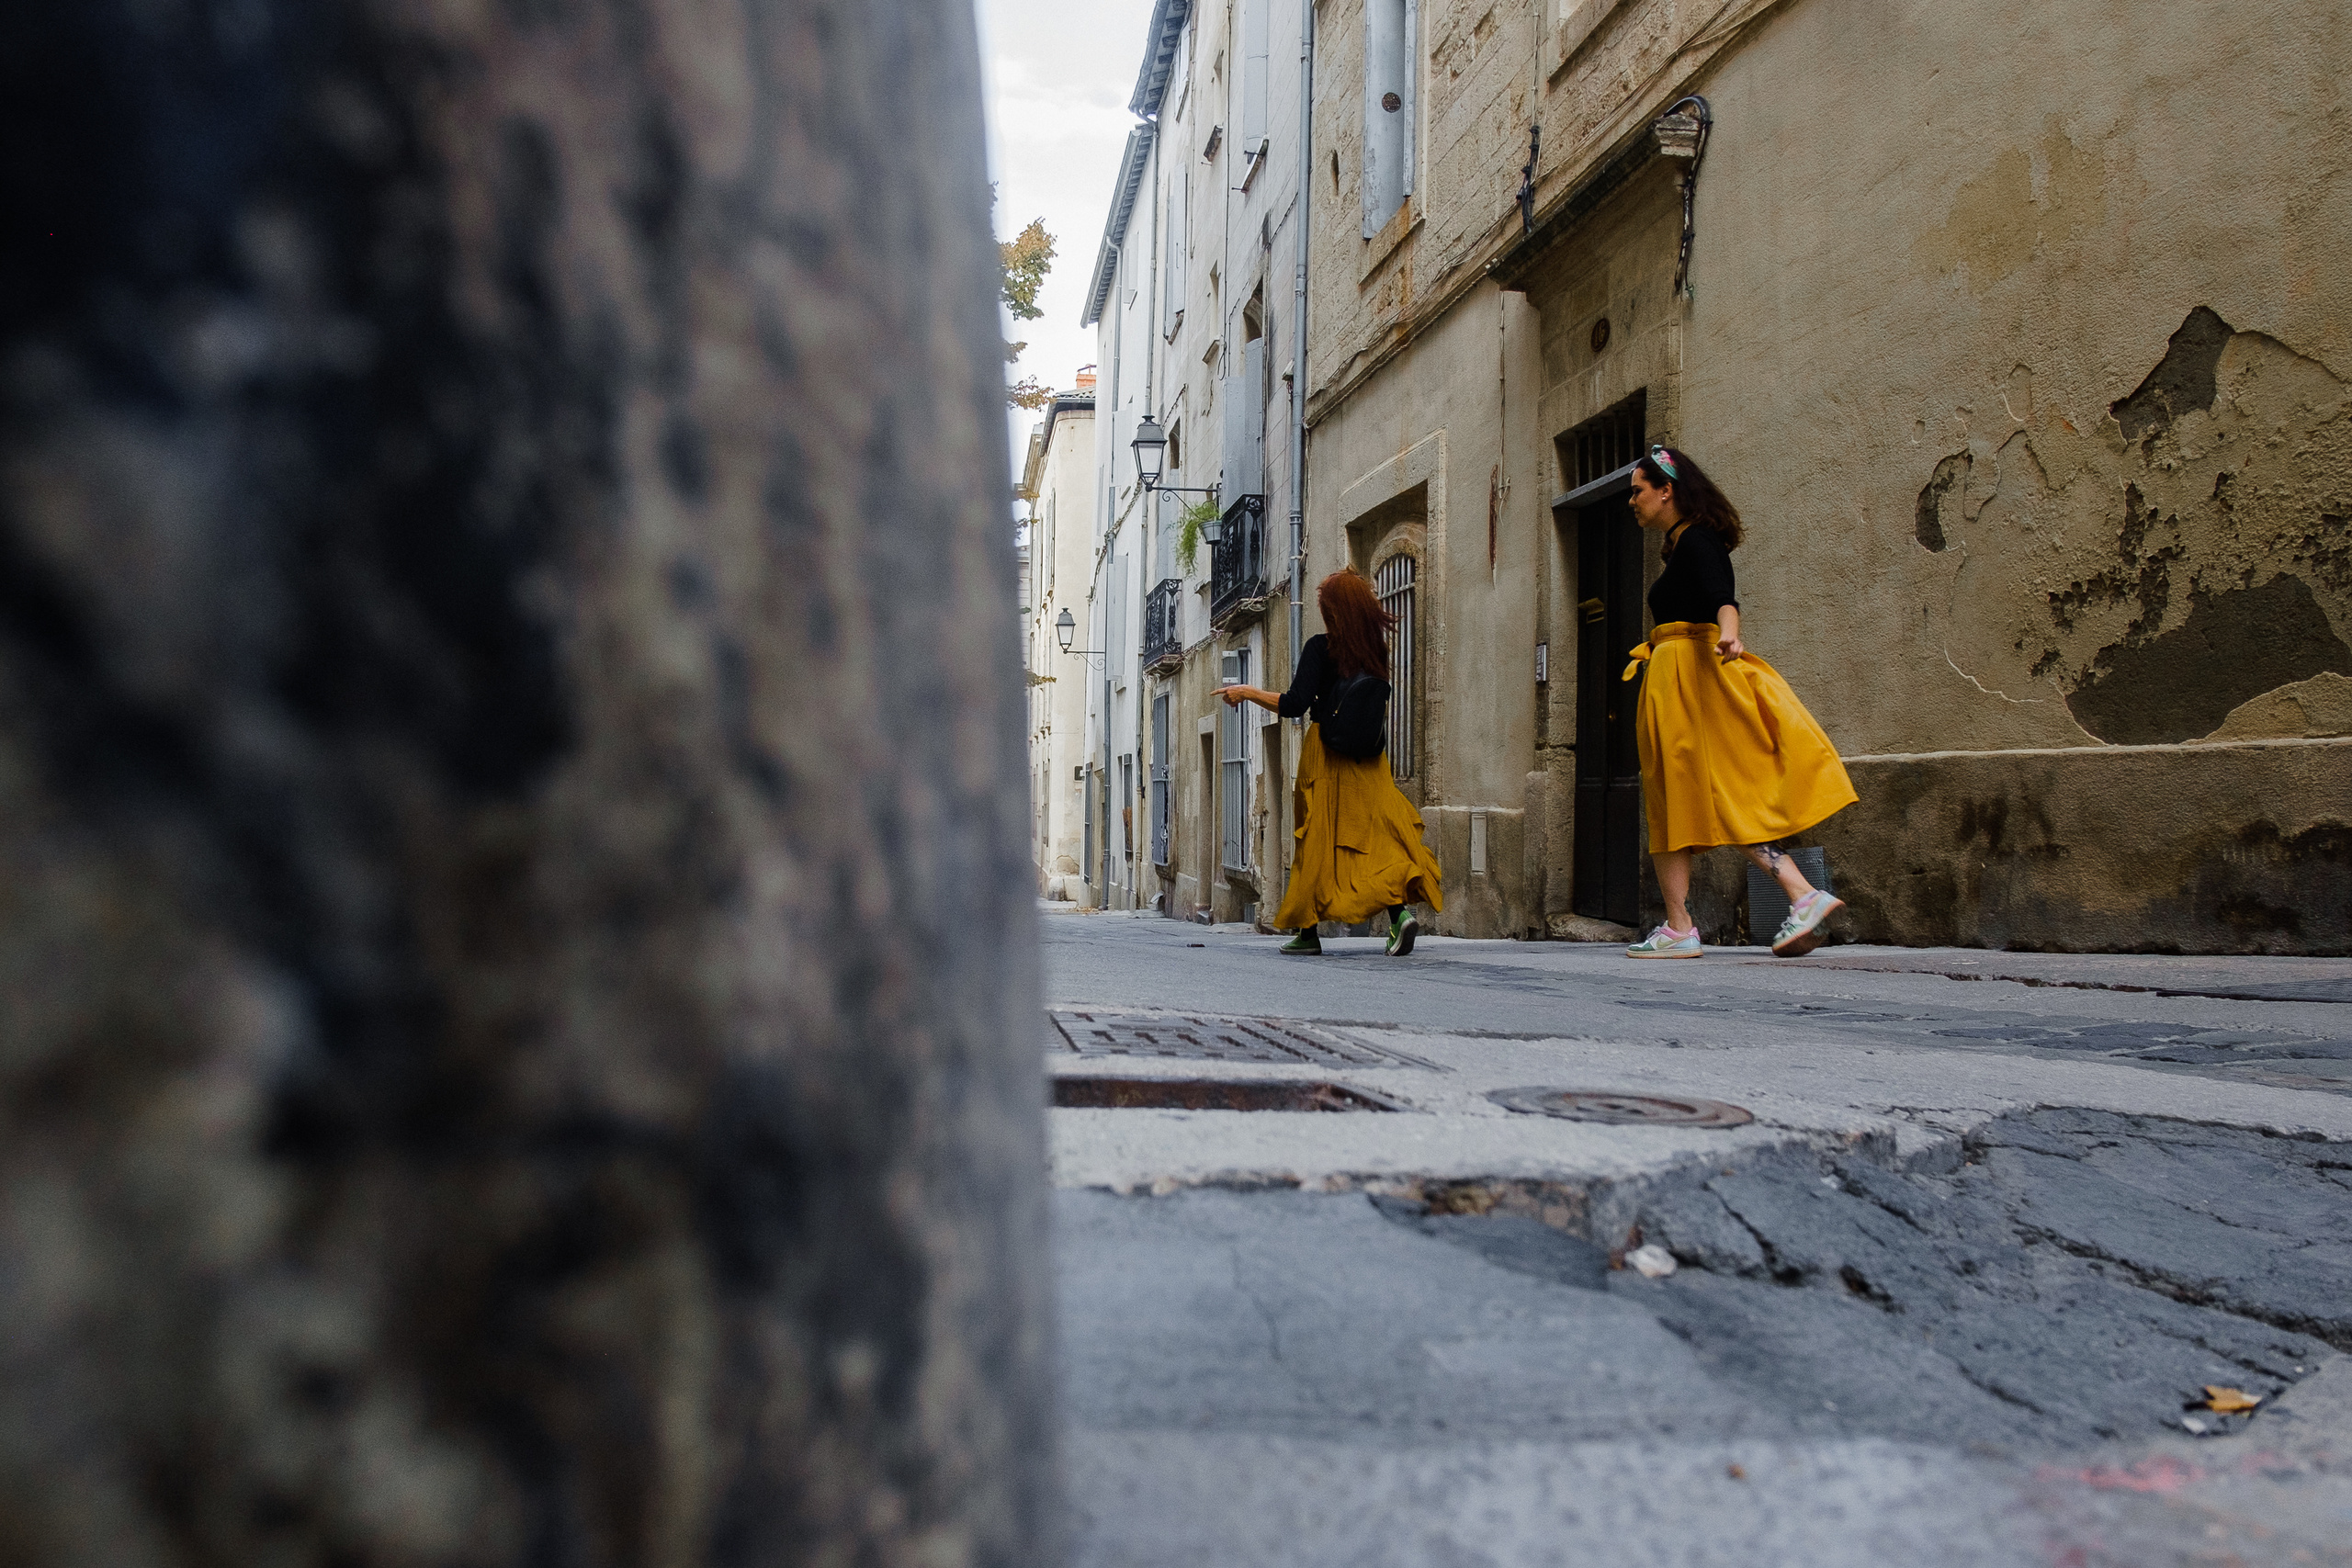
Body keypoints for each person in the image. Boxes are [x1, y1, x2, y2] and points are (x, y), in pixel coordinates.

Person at [1620, 445, 1857, 958]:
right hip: (1678, 679)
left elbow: (1723, 598)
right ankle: (1718, 915)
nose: (1631, 501)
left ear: (1667, 491)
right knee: (1687, 799)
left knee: (1698, 795)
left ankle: (1770, 902)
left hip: (1688, 680)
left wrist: (1731, 634)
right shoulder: (1683, 543)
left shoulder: (1697, 543)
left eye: (1637, 490)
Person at [1220, 570, 1442, 956]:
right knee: (1379, 838)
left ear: (1333, 612)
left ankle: (1308, 934)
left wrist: (1247, 691)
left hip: (1325, 756)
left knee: (1316, 839)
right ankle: (1399, 917)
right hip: (1370, 761)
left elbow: (1294, 704)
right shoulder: (1377, 652)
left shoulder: (1319, 648)